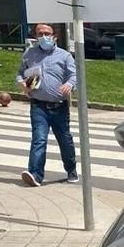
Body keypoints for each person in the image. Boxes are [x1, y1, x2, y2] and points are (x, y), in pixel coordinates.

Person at [16, 22, 78, 187]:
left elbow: (74, 75)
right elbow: (20, 74)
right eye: (40, 33)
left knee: (65, 140)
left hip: (59, 106)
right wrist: (22, 83)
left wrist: (69, 85)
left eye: (47, 33)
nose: (44, 37)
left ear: (54, 36)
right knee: (39, 139)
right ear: (36, 36)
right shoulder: (30, 54)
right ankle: (35, 174)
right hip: (38, 105)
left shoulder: (64, 56)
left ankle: (71, 169)